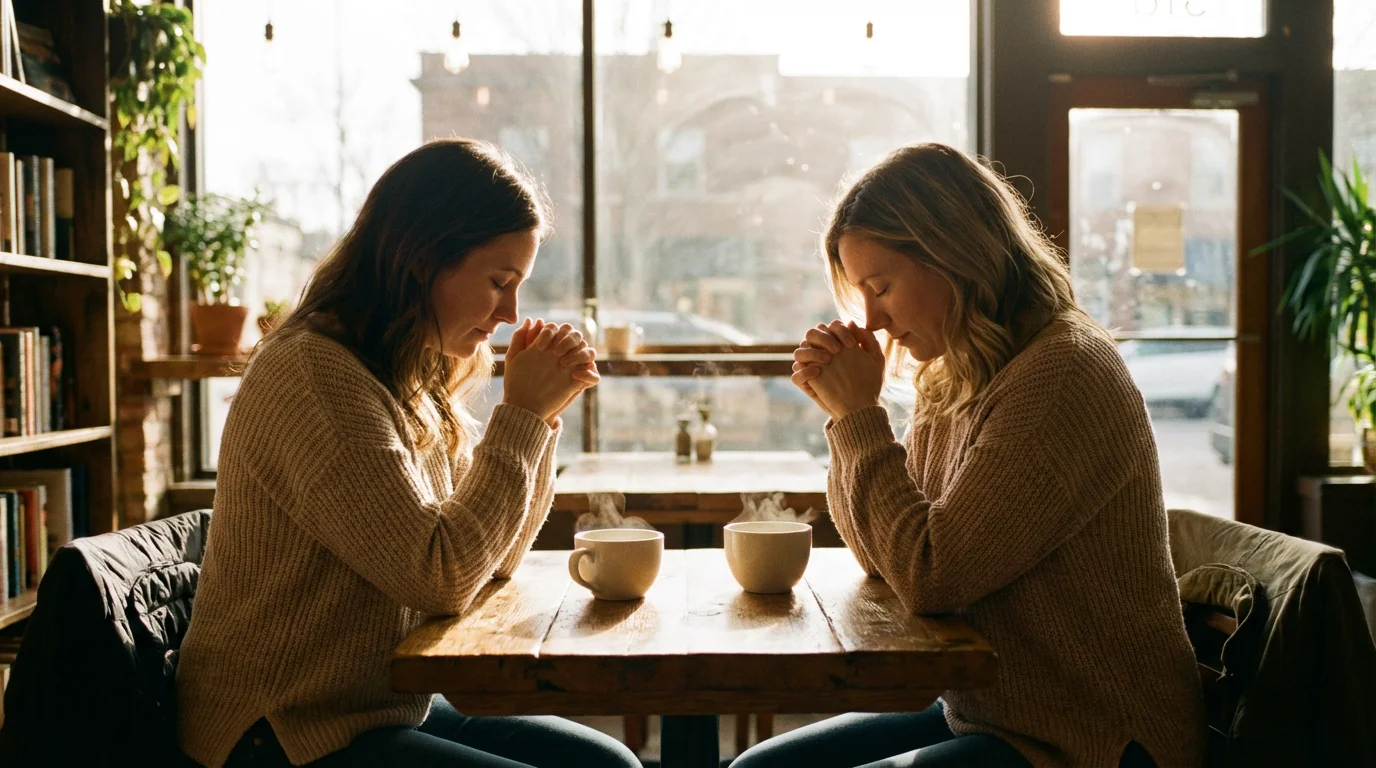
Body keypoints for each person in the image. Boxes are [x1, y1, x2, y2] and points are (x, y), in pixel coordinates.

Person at [733, 143, 1206, 768]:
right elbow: (884, 558)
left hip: (1092, 736)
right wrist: (845, 420)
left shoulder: (1061, 374)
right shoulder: (957, 371)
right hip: (994, 710)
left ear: (954, 256)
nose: (872, 320)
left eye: (881, 287)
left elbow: (932, 577)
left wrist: (859, 419)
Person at [177, 139, 641, 768]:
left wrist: (542, 419)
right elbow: (441, 576)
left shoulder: (406, 375)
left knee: (604, 764)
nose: (509, 315)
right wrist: (521, 417)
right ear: (424, 259)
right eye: (499, 283)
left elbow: (492, 560)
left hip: (373, 705)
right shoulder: (315, 376)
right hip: (280, 728)